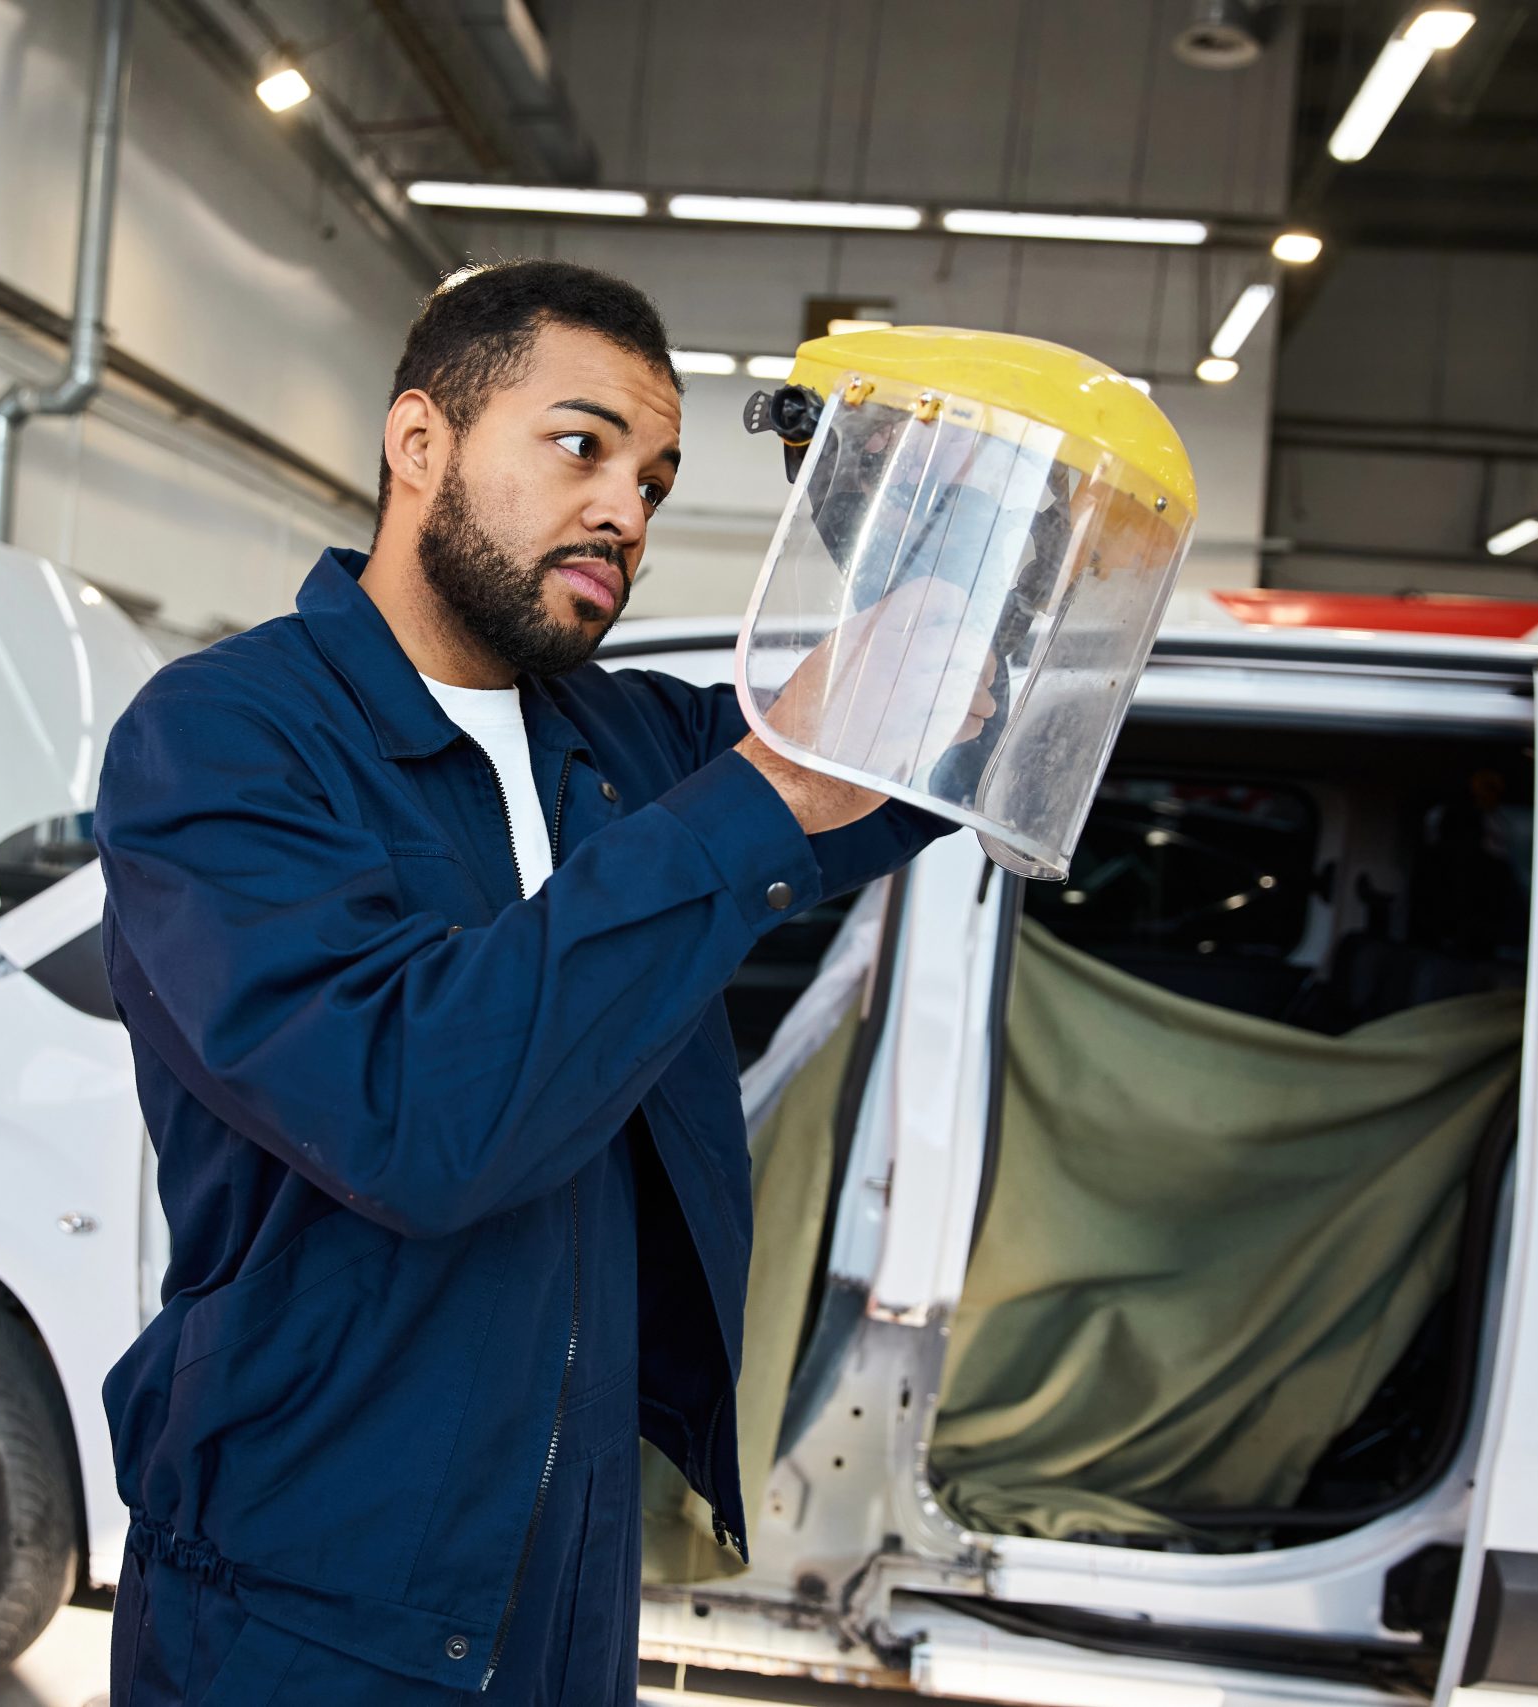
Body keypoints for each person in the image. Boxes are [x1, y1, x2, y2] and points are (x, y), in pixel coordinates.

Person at [94, 259, 953, 1704]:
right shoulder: (225, 739)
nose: (626, 508)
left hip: (562, 1574)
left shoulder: (622, 741)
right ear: (419, 444)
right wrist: (762, 792)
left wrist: (915, 500)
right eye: (582, 445)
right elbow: (418, 1112)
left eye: (658, 482)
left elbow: (926, 747)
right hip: (309, 1605)